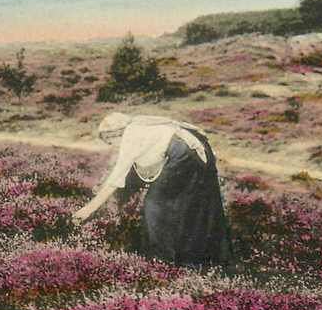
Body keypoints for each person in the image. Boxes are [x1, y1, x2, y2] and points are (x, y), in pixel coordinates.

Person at [73, 112, 232, 267]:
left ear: (113, 135)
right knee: (195, 205)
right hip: (198, 151)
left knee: (155, 204)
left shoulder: (131, 136)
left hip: (186, 155)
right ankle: (206, 259)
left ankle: (163, 260)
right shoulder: (140, 126)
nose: (113, 147)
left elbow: (116, 177)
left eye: (109, 142)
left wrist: (88, 209)